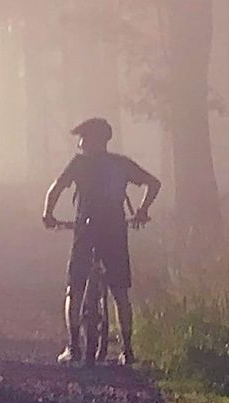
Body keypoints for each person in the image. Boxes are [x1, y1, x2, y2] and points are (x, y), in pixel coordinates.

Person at [41, 117, 160, 364]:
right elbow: (153, 183)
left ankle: (73, 347)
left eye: (83, 138)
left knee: (74, 288)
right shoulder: (120, 164)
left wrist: (48, 215)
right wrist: (141, 210)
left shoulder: (79, 164)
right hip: (115, 231)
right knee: (120, 292)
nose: (80, 143)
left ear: (93, 140)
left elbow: (56, 188)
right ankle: (127, 350)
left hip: (85, 231)